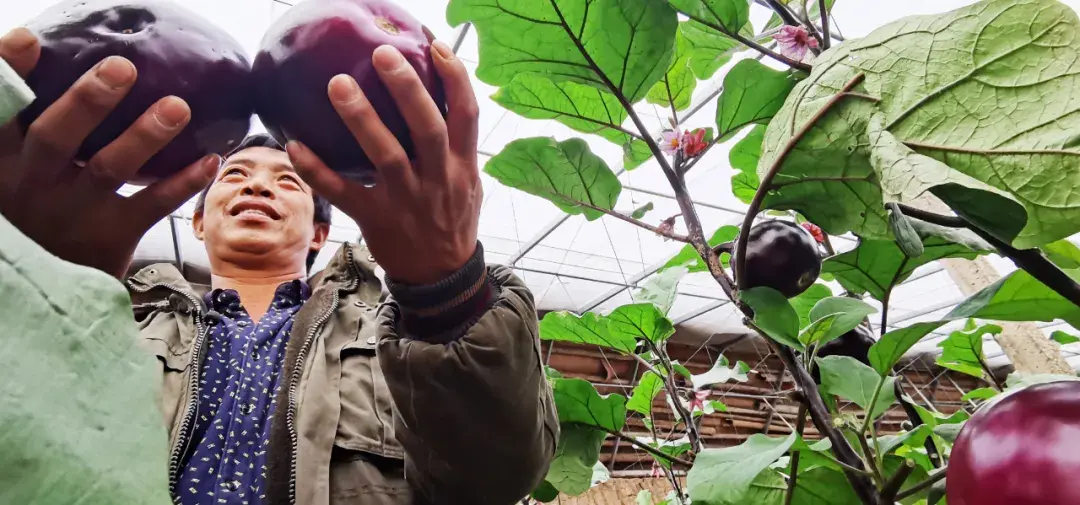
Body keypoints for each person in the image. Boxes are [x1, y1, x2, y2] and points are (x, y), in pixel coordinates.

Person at [0, 26, 557, 505]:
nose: (260, 184)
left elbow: (495, 475)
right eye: (236, 177)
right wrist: (31, 288)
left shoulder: (404, 338)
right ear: (198, 223)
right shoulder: (119, 322)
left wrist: (447, 291)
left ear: (320, 231)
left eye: (288, 180)